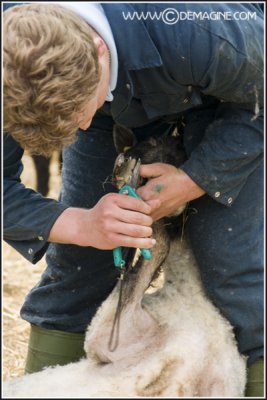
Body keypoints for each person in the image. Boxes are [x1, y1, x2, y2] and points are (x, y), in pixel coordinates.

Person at [3, 2, 264, 396]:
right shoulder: (10, 63)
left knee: (230, 263)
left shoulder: (200, 29)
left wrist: (197, 178)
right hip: (105, 92)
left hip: (235, 98)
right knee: (76, 265)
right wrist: (79, 224)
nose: (84, 125)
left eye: (78, 113)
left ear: (98, 49)